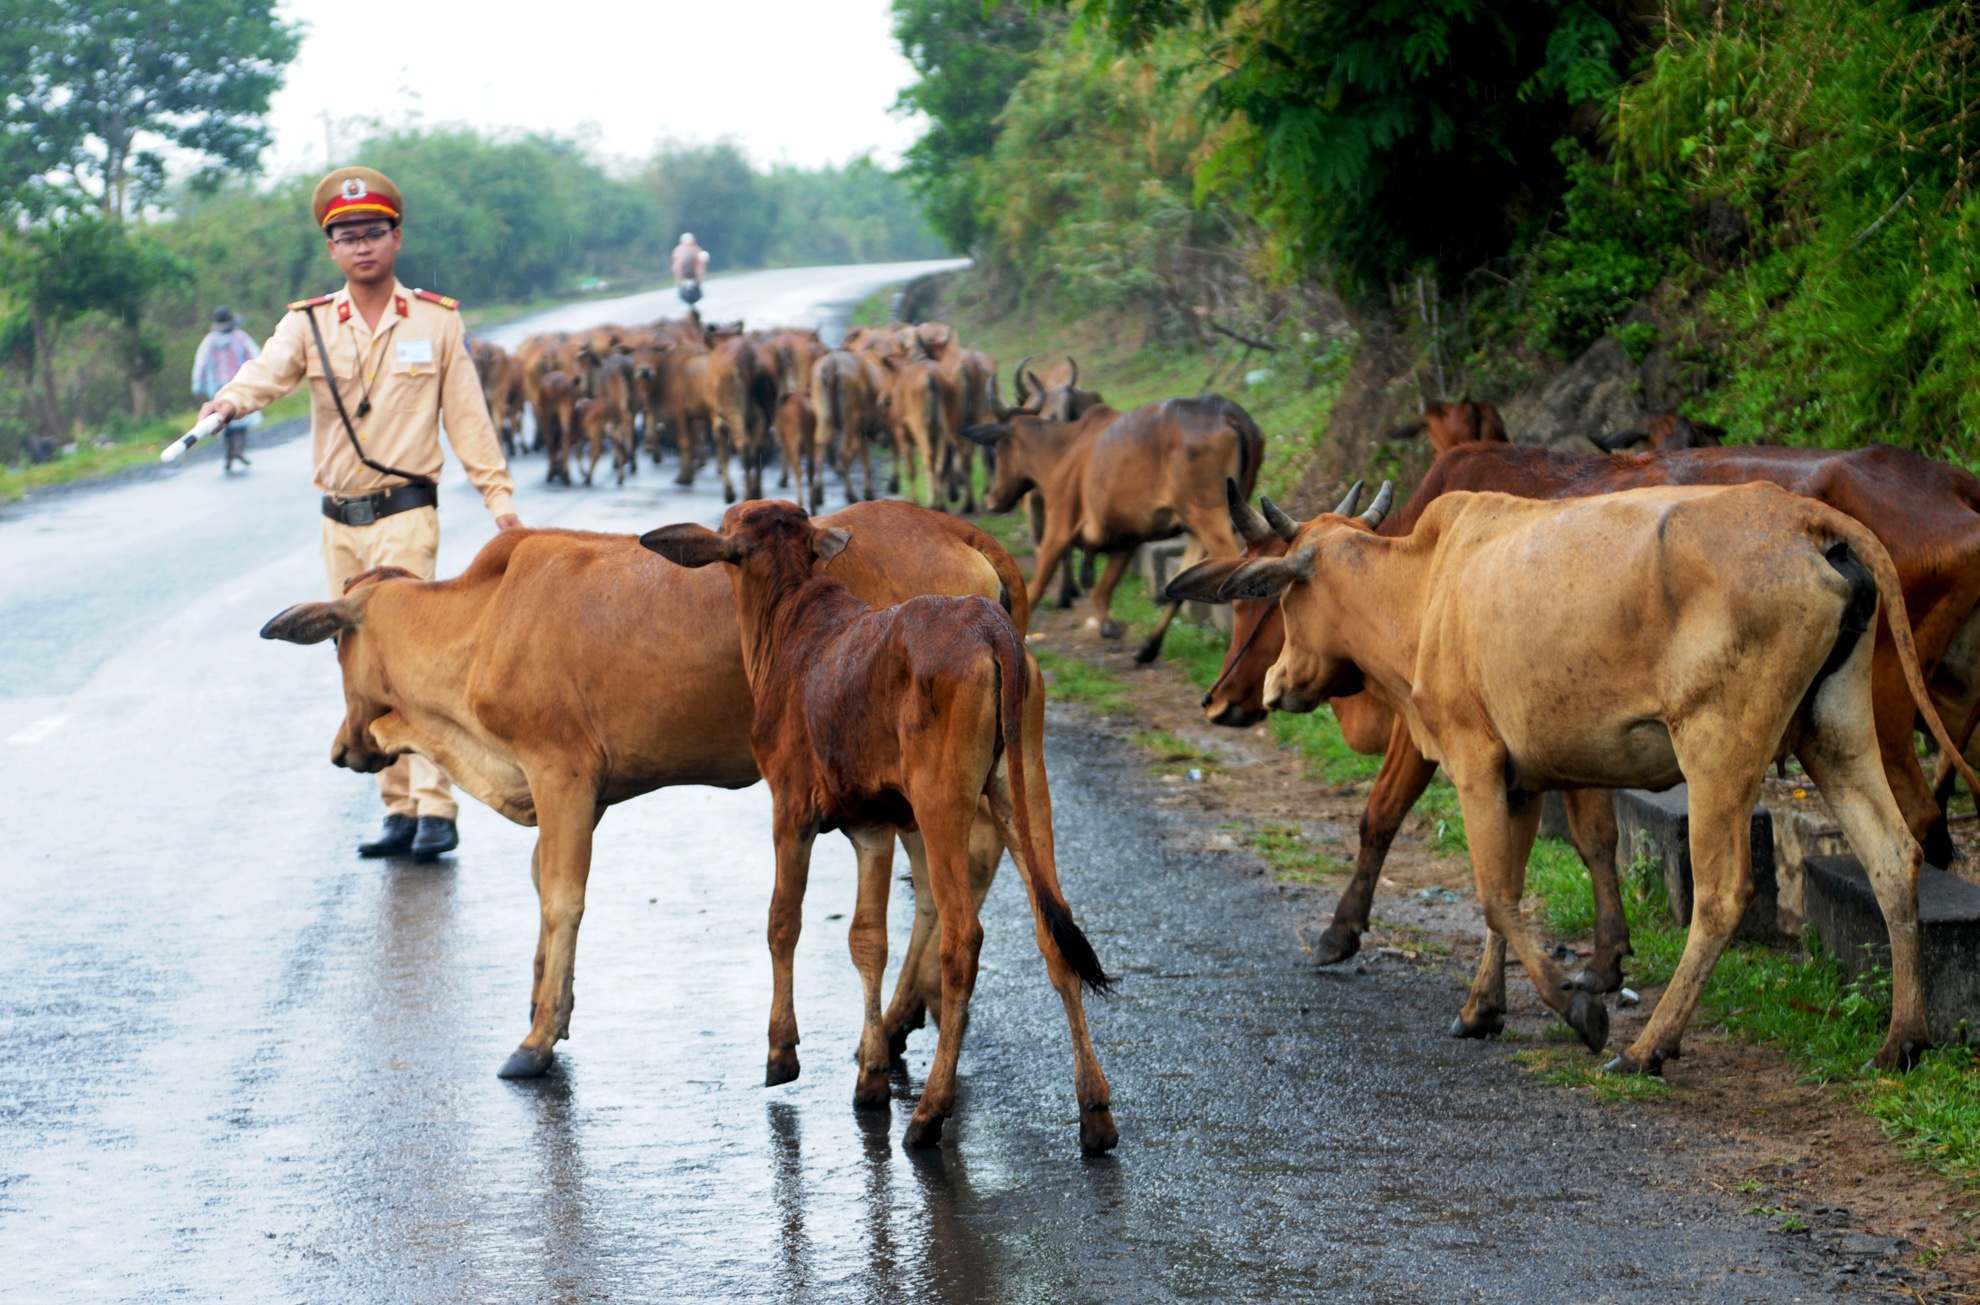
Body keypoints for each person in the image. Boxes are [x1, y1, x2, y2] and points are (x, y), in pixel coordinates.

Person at [199, 166, 521, 862]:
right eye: (346, 236)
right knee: (362, 669)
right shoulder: (307, 324)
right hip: (338, 523)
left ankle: (437, 807)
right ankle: (398, 806)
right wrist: (225, 403)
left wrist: (500, 502)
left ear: (396, 237)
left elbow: (468, 420)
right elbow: (266, 375)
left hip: (406, 516)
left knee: (417, 666)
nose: (362, 246)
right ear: (332, 247)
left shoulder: (436, 320)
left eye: (374, 232)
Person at [191, 306, 261, 472]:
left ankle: (229, 454)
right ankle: (238, 451)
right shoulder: (240, 337)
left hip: (217, 388)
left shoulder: (209, 341)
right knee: (241, 421)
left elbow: (200, 364)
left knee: (222, 422)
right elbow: (255, 354)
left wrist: (197, 385)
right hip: (239, 384)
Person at [672, 232, 709, 307]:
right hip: (685, 277)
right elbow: (677, 266)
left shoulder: (696, 250)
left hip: (693, 277)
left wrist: (699, 277)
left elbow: (700, 264)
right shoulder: (679, 251)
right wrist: (679, 278)